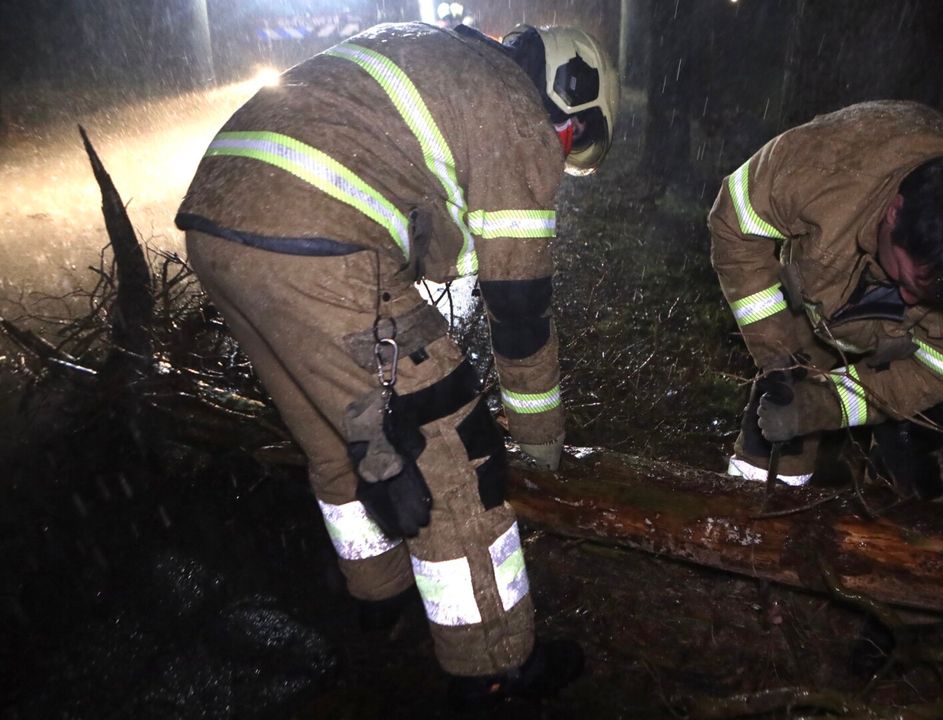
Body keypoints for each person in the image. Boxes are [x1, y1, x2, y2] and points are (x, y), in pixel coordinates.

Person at [175, 21, 618, 708]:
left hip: (217, 226)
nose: (560, 162)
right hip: (319, 244)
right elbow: (520, 304)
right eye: (573, 143)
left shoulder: (439, 53)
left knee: (335, 432)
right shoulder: (520, 116)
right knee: (454, 454)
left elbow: (425, 223)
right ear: (568, 98)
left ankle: (379, 599)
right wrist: (538, 432)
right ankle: (495, 668)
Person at [708, 100, 943, 499]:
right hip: (812, 298)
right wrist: (777, 355)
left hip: (906, 352)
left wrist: (825, 405)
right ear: (895, 213)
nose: (911, 299)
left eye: (933, 296)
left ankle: (900, 525)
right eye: (908, 280)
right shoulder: (828, 165)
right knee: (773, 438)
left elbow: (939, 373)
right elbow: (735, 224)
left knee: (910, 473)